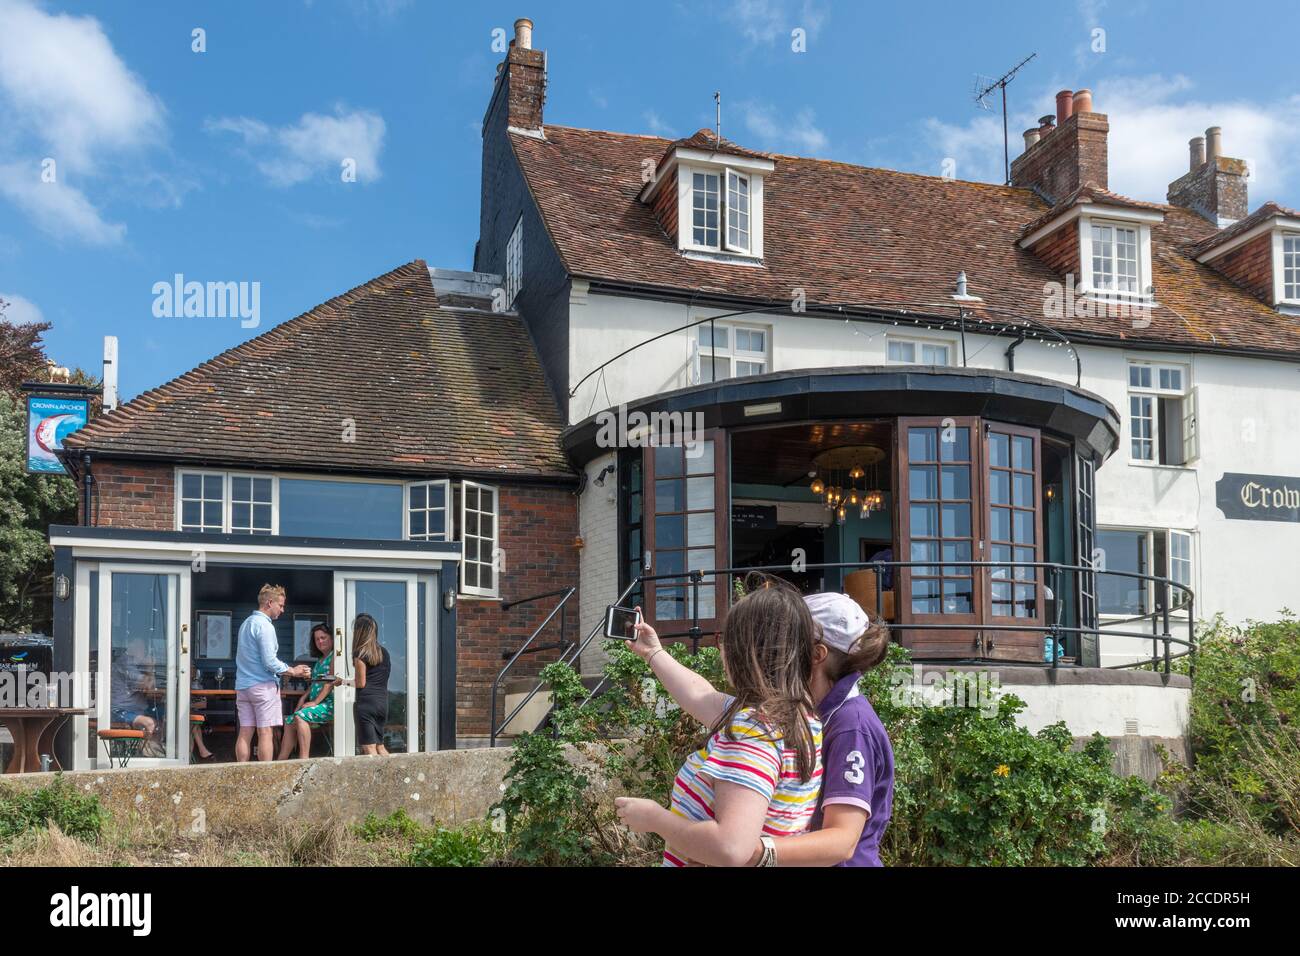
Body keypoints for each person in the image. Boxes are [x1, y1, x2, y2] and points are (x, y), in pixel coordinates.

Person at [613, 575, 824, 867]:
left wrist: (655, 819)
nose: (720, 648)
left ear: (745, 651)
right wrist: (653, 653)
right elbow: (701, 695)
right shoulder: (798, 718)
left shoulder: (755, 731)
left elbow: (731, 848)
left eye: (724, 639)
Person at [741, 592, 894, 866]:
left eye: (785, 644)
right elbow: (711, 702)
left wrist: (749, 852)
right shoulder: (813, 710)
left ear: (815, 655)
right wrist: (653, 653)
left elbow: (842, 841)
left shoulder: (852, 726)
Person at [234, 584, 309, 763]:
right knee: (265, 732)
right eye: (281, 605)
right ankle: (264, 778)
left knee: (245, 731)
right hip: (262, 687)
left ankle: (240, 772)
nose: (282, 610)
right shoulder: (265, 626)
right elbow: (269, 661)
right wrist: (293, 670)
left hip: (243, 687)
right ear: (269, 603)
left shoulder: (246, 624)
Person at [277, 624, 336, 760]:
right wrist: (303, 698)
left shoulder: (334, 657)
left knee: (300, 716)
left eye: (323, 637)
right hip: (317, 704)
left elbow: (329, 683)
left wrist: (314, 702)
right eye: (317, 639)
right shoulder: (320, 660)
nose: (320, 641)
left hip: (329, 704)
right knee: (289, 720)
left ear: (332, 638)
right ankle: (282, 759)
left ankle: (304, 760)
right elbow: (315, 683)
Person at [109, 636, 164, 755]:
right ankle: (149, 756)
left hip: (138, 709)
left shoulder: (135, 664)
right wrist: (150, 667)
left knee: (168, 714)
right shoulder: (125, 663)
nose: (144, 652)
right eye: (141, 648)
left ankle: (158, 751)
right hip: (120, 711)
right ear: (131, 646)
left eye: (144, 649)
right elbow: (147, 685)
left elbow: (150, 687)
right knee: (150, 723)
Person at [348, 613, 390, 756]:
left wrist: (342, 681)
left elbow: (360, 683)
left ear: (359, 632)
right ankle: (395, 775)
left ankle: (379, 779)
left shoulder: (360, 654)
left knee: (369, 749)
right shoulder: (384, 653)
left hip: (366, 704)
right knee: (380, 746)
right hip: (382, 704)